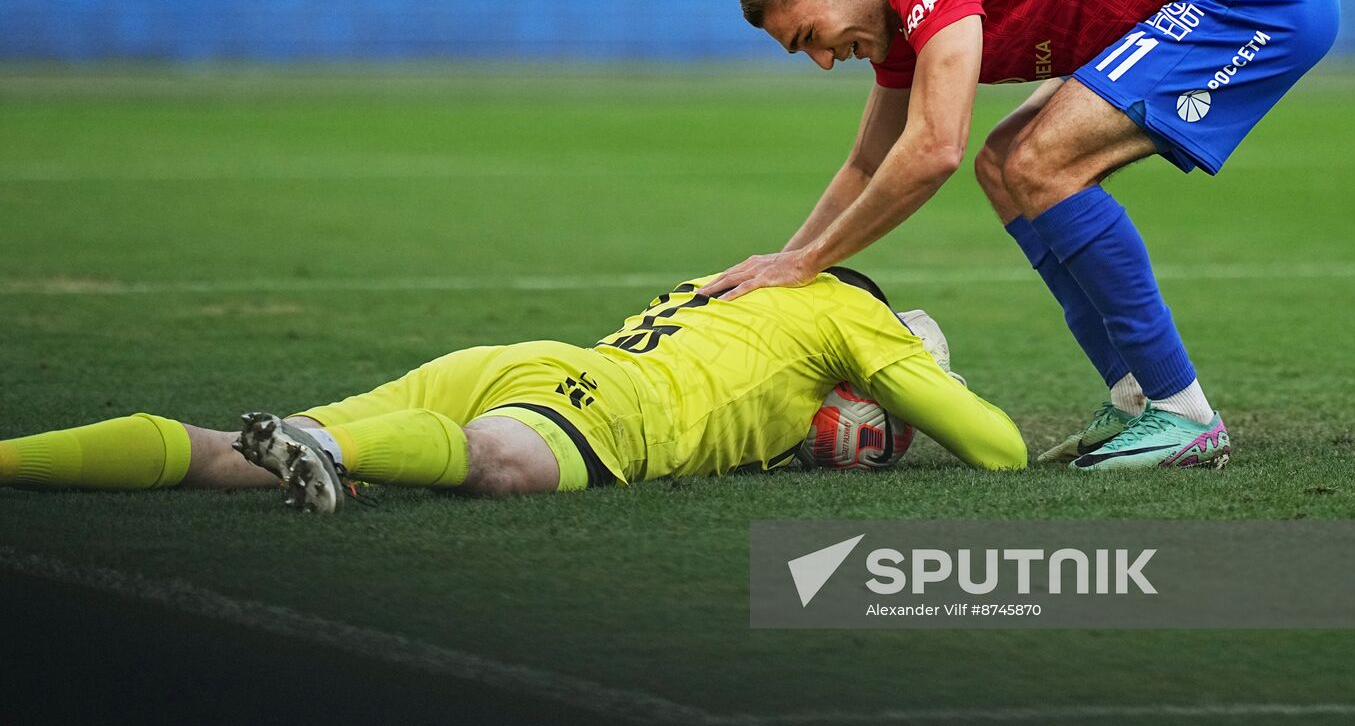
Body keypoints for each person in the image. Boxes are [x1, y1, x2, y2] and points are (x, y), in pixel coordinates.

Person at [704, 0, 1340, 471]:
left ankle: (1183, 412)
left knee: (1041, 162)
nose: (821, 60)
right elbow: (868, 167)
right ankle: (1137, 395)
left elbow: (933, 149)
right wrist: (779, 270)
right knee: (1005, 164)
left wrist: (811, 262)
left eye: (809, 37)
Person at [0, 269, 1026, 511]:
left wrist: (816, 427)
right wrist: (907, 387)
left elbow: (758, 395)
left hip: (520, 362)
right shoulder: (846, 313)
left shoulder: (748, 289)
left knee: (229, 449)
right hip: (601, 406)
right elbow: (998, 448)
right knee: (504, 468)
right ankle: (334, 453)